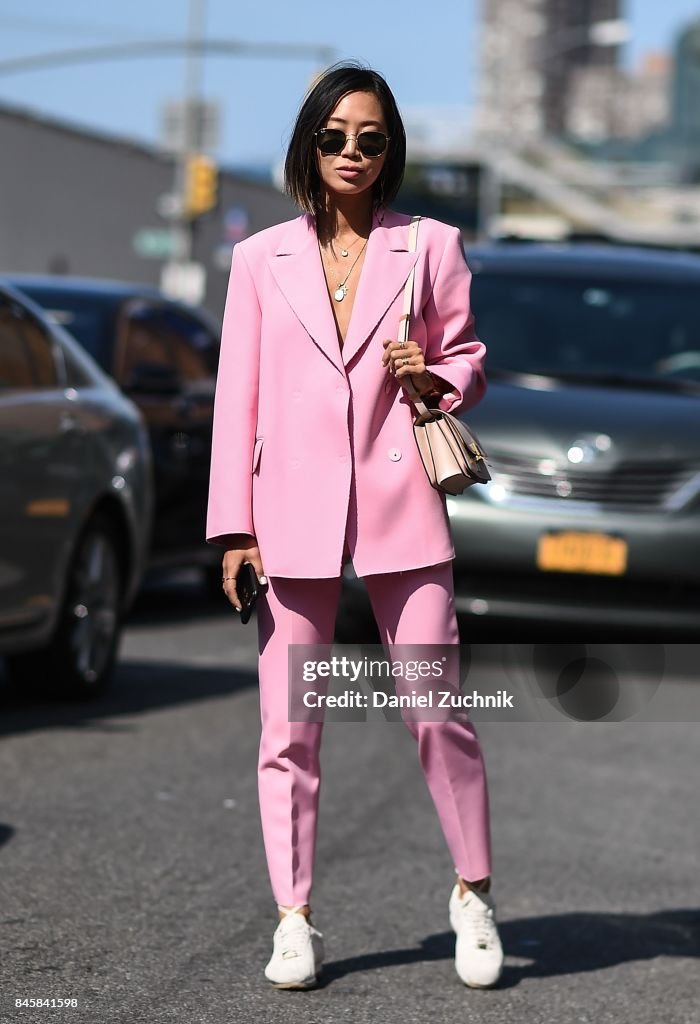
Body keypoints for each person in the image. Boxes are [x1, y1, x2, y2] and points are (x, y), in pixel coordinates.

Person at [206, 62, 504, 991]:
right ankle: (294, 917)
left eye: (370, 139)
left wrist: (430, 374)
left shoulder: (432, 246)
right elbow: (235, 401)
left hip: (398, 498)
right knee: (289, 725)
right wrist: (232, 530)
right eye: (335, 136)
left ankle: (474, 893)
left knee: (435, 707)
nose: (351, 153)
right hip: (287, 510)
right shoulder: (260, 259)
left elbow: (468, 362)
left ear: (390, 150)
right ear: (310, 143)